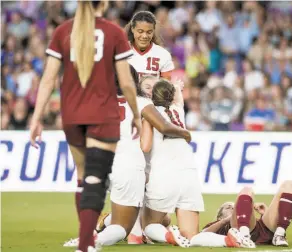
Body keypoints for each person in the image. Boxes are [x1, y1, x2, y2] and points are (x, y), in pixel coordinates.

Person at [29, 1, 141, 252]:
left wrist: (36, 117)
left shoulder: (64, 31)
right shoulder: (113, 32)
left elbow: (48, 79)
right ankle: (85, 244)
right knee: (95, 178)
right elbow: (126, 80)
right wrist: (136, 114)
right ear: (104, 4)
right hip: (103, 114)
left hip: (72, 116)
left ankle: (87, 239)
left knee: (82, 178)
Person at [63, 70, 191, 248]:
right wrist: (184, 132)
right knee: (122, 227)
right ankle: (89, 241)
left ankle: (89, 233)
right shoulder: (141, 102)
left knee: (117, 218)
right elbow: (163, 126)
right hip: (128, 166)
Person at [139, 79, 248, 249]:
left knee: (147, 227)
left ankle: (169, 235)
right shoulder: (178, 111)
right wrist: (177, 87)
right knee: (191, 236)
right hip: (189, 175)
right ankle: (227, 240)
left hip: (164, 173)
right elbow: (178, 99)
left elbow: (144, 146)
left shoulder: (149, 115)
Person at [203, 180, 292, 247]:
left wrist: (265, 214)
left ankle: (279, 236)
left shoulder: (249, 219)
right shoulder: (218, 225)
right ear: (219, 216)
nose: (233, 208)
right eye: (228, 207)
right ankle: (244, 236)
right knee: (247, 190)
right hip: (242, 230)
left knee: (289, 184)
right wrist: (224, 221)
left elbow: (264, 225)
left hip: (261, 229)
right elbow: (202, 235)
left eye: (234, 207)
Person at [126, 11, 174, 79]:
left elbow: (166, 86)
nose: (144, 36)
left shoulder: (163, 54)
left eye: (149, 32)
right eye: (140, 31)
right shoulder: (122, 52)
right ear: (132, 29)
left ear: (153, 31)